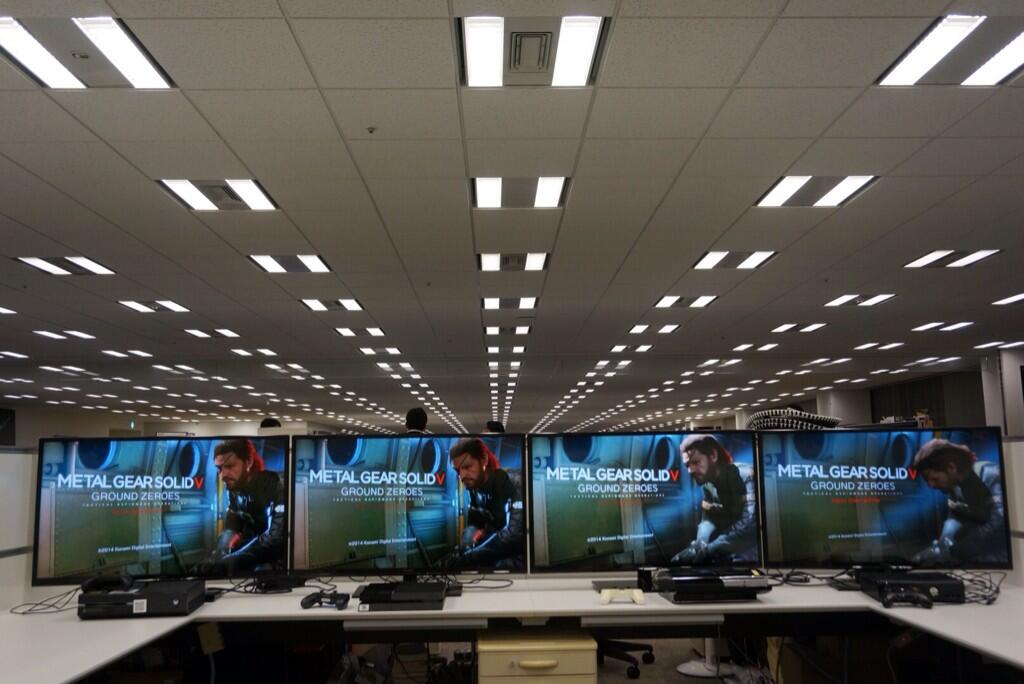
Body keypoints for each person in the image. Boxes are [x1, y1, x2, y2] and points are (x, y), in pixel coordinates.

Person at [911, 438, 1007, 566]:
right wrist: (943, 542)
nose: (931, 485)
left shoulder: (991, 475)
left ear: (951, 468)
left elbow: (997, 523)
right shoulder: (954, 485)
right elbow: (955, 516)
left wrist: (954, 550)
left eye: (934, 478)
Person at [198, 439, 286, 575]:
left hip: (276, 557)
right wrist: (221, 552)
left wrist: (235, 558)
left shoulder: (276, 485)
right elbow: (233, 523)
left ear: (248, 462)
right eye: (219, 468)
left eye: (230, 466)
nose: (222, 475)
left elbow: (275, 538)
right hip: (252, 549)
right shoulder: (234, 489)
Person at [671, 434, 757, 565]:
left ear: (713, 456)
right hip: (728, 549)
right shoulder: (708, 485)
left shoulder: (746, 476)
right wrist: (701, 541)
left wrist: (709, 550)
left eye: (695, 462)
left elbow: (749, 527)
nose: (690, 471)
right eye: (687, 465)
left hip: (752, 551)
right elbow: (708, 518)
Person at [447, 437, 523, 569]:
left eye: (467, 467)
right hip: (495, 543)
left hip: (518, 551)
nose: (462, 476)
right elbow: (478, 521)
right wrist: (482, 531)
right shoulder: (474, 489)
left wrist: (469, 557)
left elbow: (513, 534)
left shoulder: (513, 482)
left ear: (484, 460)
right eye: (458, 471)